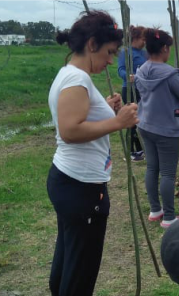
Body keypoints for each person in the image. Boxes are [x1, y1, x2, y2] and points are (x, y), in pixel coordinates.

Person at [47, 10, 138, 295]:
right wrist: (118, 121)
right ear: (91, 44)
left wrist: (106, 110)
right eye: (109, 52)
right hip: (81, 187)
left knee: (69, 262)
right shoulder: (77, 80)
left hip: (72, 182)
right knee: (80, 275)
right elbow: (70, 131)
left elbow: (78, 119)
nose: (111, 60)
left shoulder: (71, 75)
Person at [135, 28, 179, 228]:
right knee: (168, 173)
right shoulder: (170, 74)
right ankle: (169, 217)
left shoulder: (141, 70)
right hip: (166, 128)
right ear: (165, 48)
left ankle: (155, 210)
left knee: (152, 167)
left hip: (145, 124)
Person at [117, 25, 148, 161]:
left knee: (141, 119)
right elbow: (120, 69)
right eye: (143, 39)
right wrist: (128, 76)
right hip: (130, 89)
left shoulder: (144, 53)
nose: (144, 42)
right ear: (135, 38)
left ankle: (140, 149)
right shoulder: (125, 52)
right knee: (132, 119)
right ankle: (129, 151)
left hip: (143, 89)